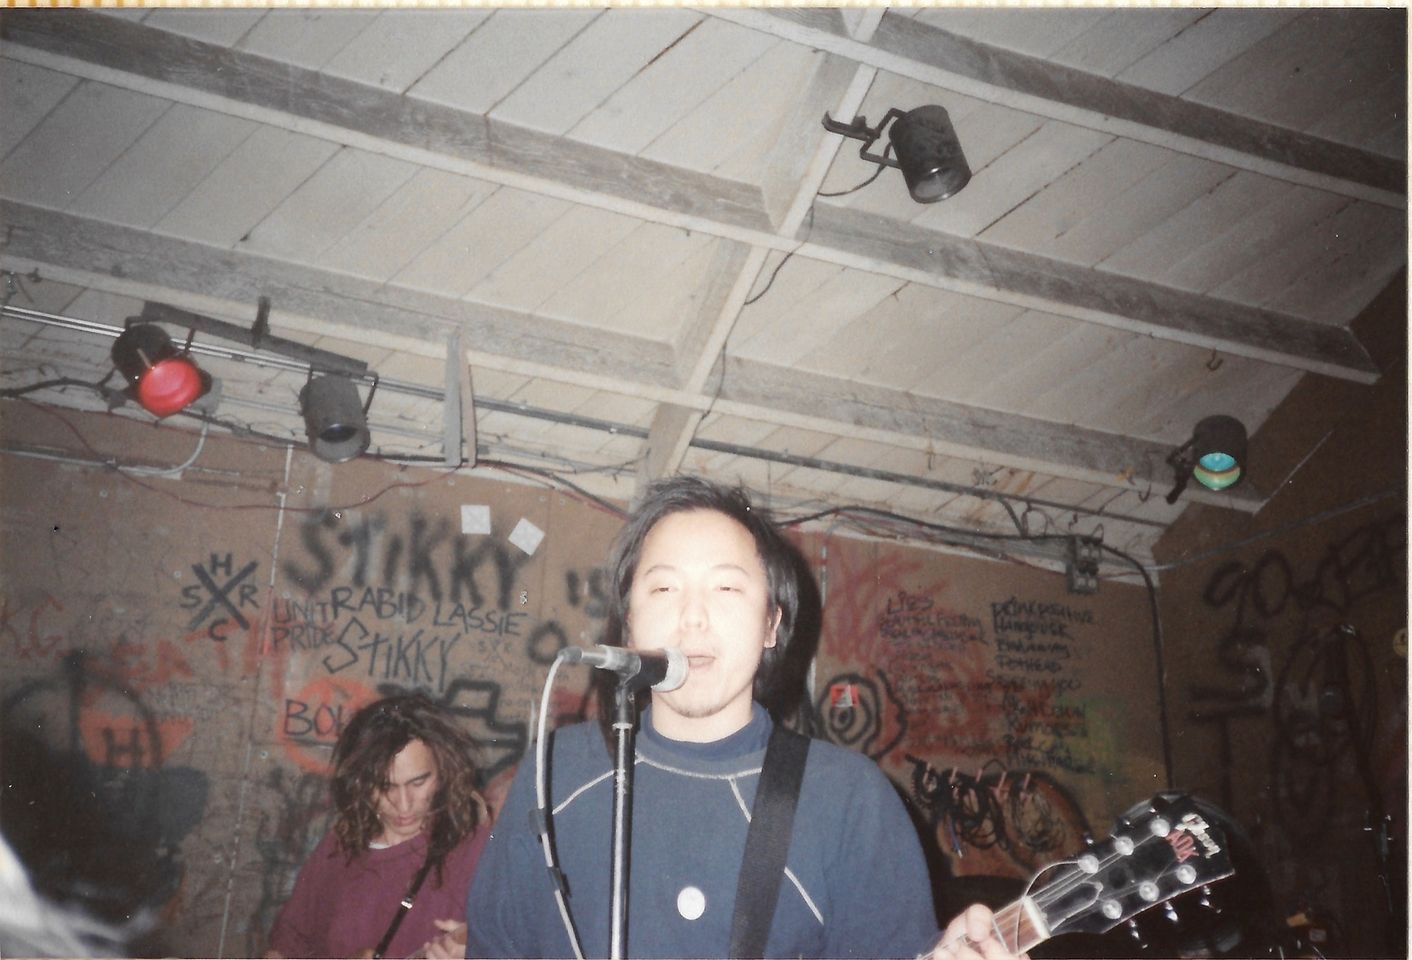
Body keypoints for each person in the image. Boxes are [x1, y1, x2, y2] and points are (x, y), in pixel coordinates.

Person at [465, 476, 1022, 960]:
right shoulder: (555, 773)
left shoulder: (849, 800)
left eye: (727, 587)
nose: (693, 617)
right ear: (629, 625)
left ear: (771, 625)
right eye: (664, 587)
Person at [267, 694, 488, 960]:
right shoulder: (339, 847)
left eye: (418, 782)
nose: (403, 804)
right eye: (385, 787)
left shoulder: (478, 852)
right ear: (360, 782)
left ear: (444, 771)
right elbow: (286, 945)